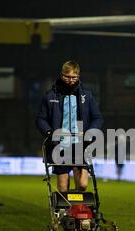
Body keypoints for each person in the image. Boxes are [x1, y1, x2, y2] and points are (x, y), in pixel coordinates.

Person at [36, 60, 103, 192]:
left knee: (83, 185)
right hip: (59, 146)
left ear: (79, 76)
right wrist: (50, 132)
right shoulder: (50, 96)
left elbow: (98, 118)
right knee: (62, 187)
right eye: (68, 77)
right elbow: (40, 119)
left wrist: (90, 132)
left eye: (74, 77)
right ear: (62, 75)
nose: (71, 80)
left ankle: (79, 209)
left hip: (81, 145)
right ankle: (66, 212)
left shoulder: (87, 96)